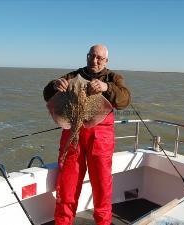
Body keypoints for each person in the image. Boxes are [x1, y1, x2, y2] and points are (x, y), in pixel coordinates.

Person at [43, 44, 131, 225]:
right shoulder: (73, 76)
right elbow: (47, 94)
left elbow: (125, 99)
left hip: (101, 137)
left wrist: (106, 87)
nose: (95, 60)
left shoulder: (113, 78)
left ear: (106, 61)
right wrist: (54, 85)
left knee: (102, 186)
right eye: (92, 56)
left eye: (99, 58)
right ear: (87, 56)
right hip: (72, 131)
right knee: (67, 185)